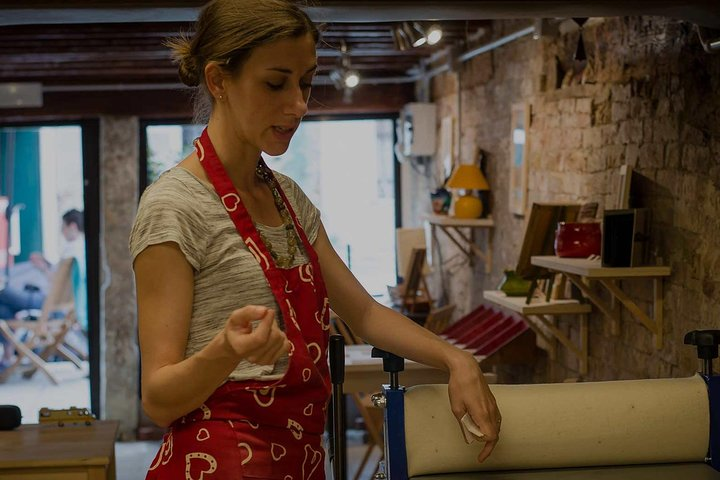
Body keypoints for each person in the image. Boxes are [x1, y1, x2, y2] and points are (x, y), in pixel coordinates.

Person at [129, 1, 501, 478]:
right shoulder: (173, 206)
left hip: (302, 458)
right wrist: (226, 350)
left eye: (305, 82)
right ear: (219, 80)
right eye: (275, 82)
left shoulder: (289, 199)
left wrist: (457, 359)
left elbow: (363, 313)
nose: (299, 104)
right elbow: (158, 400)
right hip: (218, 461)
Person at [0, 209, 87, 365]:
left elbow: (56, 283)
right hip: (61, 305)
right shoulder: (83, 249)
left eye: (63, 227)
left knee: (3, 292)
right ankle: (7, 355)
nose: (62, 231)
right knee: (2, 309)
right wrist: (46, 263)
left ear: (72, 226)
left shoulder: (71, 250)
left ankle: (7, 355)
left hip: (47, 303)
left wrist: (43, 268)